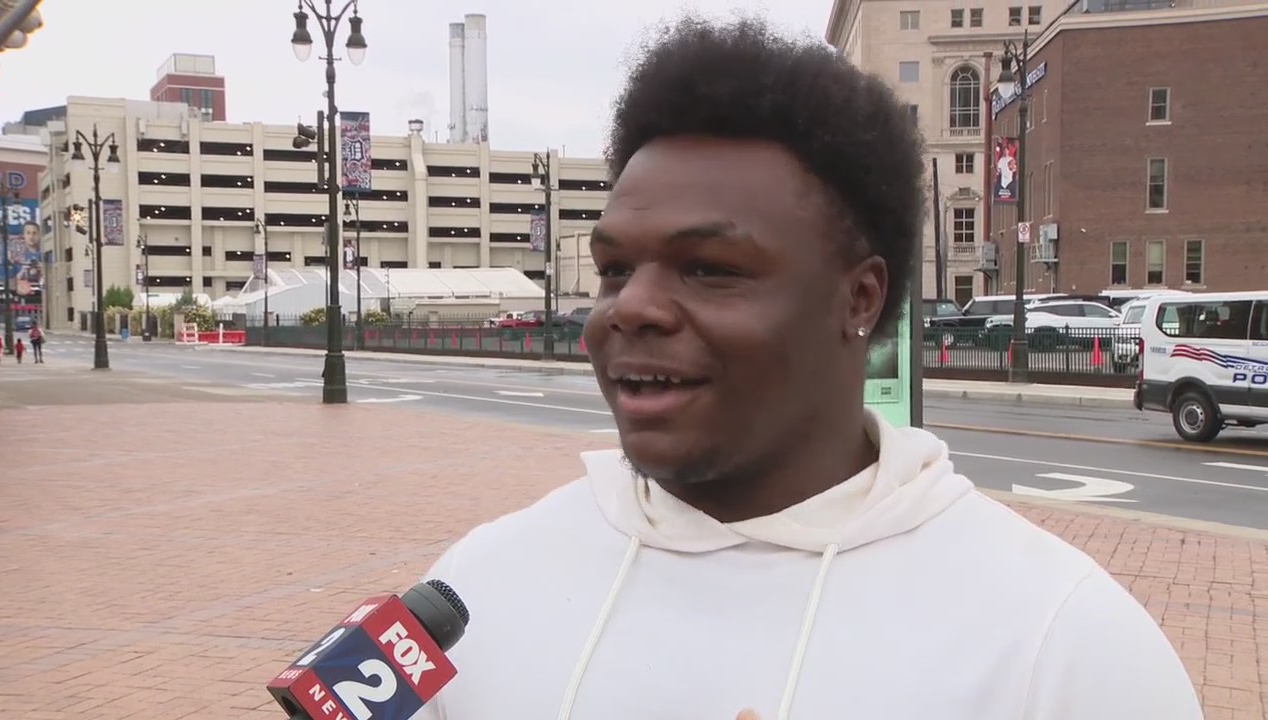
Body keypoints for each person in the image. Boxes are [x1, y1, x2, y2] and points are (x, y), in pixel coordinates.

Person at [419, 17, 1201, 720]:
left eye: (708, 269)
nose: (631, 309)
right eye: (617, 269)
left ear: (859, 296)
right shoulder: (474, 588)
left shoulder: (1063, 647)